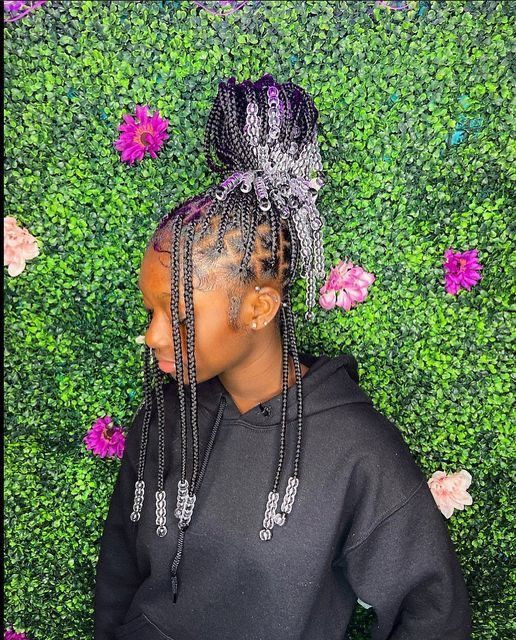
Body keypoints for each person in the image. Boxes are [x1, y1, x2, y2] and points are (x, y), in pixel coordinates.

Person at [94, 74, 472, 640]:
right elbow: (119, 572)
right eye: (150, 312)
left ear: (260, 308)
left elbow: (434, 614)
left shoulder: (356, 450)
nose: (153, 336)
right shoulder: (163, 417)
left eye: (177, 315)